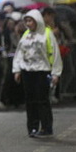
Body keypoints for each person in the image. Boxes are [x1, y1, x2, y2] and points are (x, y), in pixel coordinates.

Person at [13, 9, 62, 137]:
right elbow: (19, 53)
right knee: (30, 100)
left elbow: (55, 53)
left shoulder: (47, 34)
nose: (28, 24)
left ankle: (46, 127)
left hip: (42, 70)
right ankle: (33, 127)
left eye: (30, 21)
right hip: (27, 71)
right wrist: (17, 70)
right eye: (26, 21)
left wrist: (56, 73)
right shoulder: (26, 35)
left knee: (42, 100)